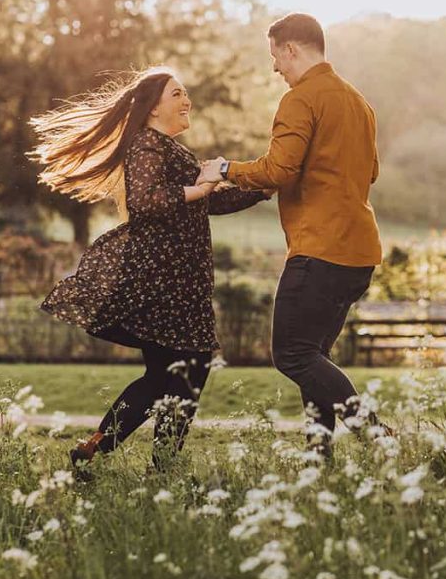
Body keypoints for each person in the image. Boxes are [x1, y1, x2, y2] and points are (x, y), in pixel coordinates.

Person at [28, 67, 270, 476]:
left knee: (163, 373)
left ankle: (96, 447)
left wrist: (263, 187)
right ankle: (163, 465)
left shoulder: (168, 148)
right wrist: (205, 186)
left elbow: (205, 204)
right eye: (177, 93)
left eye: (185, 92)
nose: (186, 99)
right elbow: (145, 201)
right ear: (154, 107)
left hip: (180, 278)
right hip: (166, 278)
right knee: (190, 367)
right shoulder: (145, 145)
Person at [196, 13, 393, 459]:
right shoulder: (358, 102)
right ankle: (316, 458)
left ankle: (376, 436)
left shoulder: (301, 99)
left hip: (319, 250)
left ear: (291, 50)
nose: (274, 69)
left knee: (292, 355)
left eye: (275, 58)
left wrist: (226, 169)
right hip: (359, 253)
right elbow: (372, 171)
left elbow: (281, 168)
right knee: (314, 356)